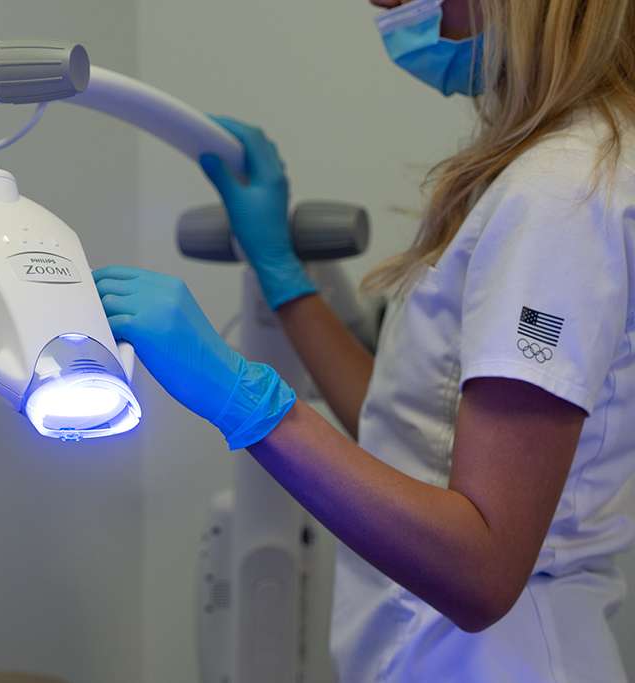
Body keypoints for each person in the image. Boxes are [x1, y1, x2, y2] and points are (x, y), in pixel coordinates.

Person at [94, 0, 635, 680]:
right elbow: (405, 430)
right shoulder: (550, 170)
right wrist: (282, 275)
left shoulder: (560, 194)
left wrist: (239, 396)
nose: (380, 6)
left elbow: (485, 569)